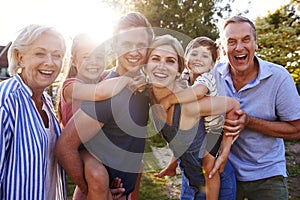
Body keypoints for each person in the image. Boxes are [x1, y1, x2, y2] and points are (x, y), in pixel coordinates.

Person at [55, 12, 154, 200]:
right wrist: (94, 189)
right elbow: (65, 147)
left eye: (141, 45)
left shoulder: (140, 88)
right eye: (126, 44)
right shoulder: (108, 94)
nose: (134, 51)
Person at [212, 15, 300, 200]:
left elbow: (296, 130)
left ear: (255, 44)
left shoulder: (279, 78)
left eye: (246, 40)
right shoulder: (212, 76)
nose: (239, 47)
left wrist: (249, 121)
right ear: (223, 48)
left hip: (267, 174)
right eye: (231, 42)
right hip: (226, 171)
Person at [144, 34, 240, 199]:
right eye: (155, 58)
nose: (161, 66)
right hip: (191, 183)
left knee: (209, 164)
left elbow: (233, 105)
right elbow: (182, 138)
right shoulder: (148, 96)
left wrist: (224, 150)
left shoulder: (191, 103)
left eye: (170, 61)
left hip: (216, 183)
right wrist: (173, 164)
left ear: (179, 69)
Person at [0, 24, 67, 199]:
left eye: (57, 55)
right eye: (40, 53)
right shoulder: (7, 100)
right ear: (20, 57)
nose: (50, 62)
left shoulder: (45, 101)